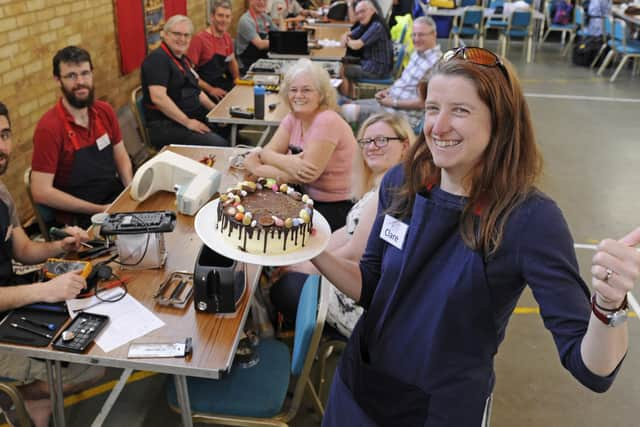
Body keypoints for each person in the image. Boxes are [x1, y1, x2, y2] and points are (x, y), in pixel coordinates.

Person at [311, 47, 640, 425]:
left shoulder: (528, 219)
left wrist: (610, 305)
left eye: (460, 111)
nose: (438, 125)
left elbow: (593, 371)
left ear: (499, 121)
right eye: (432, 108)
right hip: (359, 389)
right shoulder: (403, 182)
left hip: (441, 410)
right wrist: (314, 248)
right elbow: (372, 284)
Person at [0, 102, 103, 427]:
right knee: (91, 365)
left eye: (4, 135)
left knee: (95, 334)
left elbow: (24, 250)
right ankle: (18, 400)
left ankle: (33, 407)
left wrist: (61, 245)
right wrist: (44, 290)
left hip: (11, 305)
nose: (1, 146)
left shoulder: (2, 193)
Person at [270, 112, 415, 337]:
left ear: (405, 145)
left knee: (283, 288)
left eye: (382, 140)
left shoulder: (391, 192)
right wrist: (299, 259)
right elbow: (344, 235)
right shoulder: (380, 187)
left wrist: (304, 267)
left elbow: (353, 254)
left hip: (365, 301)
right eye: (366, 141)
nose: (372, 147)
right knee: (285, 269)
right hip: (360, 280)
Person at [244, 58, 357, 231]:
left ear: (321, 95)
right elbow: (267, 152)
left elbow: (305, 176)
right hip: (306, 196)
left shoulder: (326, 120)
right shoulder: (293, 117)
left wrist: (257, 168)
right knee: (252, 214)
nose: (298, 96)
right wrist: (289, 162)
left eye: (307, 90)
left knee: (273, 231)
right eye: (293, 90)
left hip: (336, 205)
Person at [31, 46, 133, 229]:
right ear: (57, 80)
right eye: (71, 76)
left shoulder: (104, 111)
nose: (80, 82)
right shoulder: (49, 128)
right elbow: (40, 191)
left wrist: (130, 191)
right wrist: (99, 210)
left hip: (113, 198)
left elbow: (121, 155)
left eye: (85, 73)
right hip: (80, 218)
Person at [141, 15, 228, 149]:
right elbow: (159, 98)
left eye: (186, 35)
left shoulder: (182, 59)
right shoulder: (157, 60)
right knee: (218, 144)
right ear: (164, 34)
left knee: (230, 128)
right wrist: (187, 122)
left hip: (189, 116)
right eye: (177, 34)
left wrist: (216, 111)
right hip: (166, 125)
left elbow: (196, 91)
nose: (182, 39)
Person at [349, 16, 441, 130]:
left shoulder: (436, 64)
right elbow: (404, 82)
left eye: (421, 35)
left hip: (402, 116)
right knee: (349, 104)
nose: (416, 39)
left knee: (348, 111)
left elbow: (424, 103)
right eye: (414, 34)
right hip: (390, 102)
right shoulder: (417, 53)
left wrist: (393, 103)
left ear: (434, 34)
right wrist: (387, 91)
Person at [187, 0, 240, 101]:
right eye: (220, 15)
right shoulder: (199, 40)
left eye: (227, 16)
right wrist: (210, 89)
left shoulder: (227, 37)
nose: (224, 20)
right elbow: (189, 72)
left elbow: (231, 61)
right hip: (203, 91)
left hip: (221, 83)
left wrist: (236, 79)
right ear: (212, 17)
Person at [340, 0, 393, 97]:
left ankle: (347, 99)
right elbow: (348, 35)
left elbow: (356, 45)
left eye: (363, 11)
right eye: (358, 13)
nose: (360, 15)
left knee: (344, 69)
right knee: (345, 62)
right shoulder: (367, 22)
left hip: (378, 69)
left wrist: (346, 40)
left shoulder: (377, 26)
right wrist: (346, 36)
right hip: (371, 63)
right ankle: (352, 96)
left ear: (372, 11)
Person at [236, 0, 274, 75]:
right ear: (250, 1)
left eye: (264, 0)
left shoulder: (266, 18)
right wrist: (281, 42)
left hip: (265, 63)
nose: (262, 2)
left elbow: (280, 34)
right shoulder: (246, 20)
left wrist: (280, 15)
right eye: (258, 0)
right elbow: (260, 45)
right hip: (249, 67)